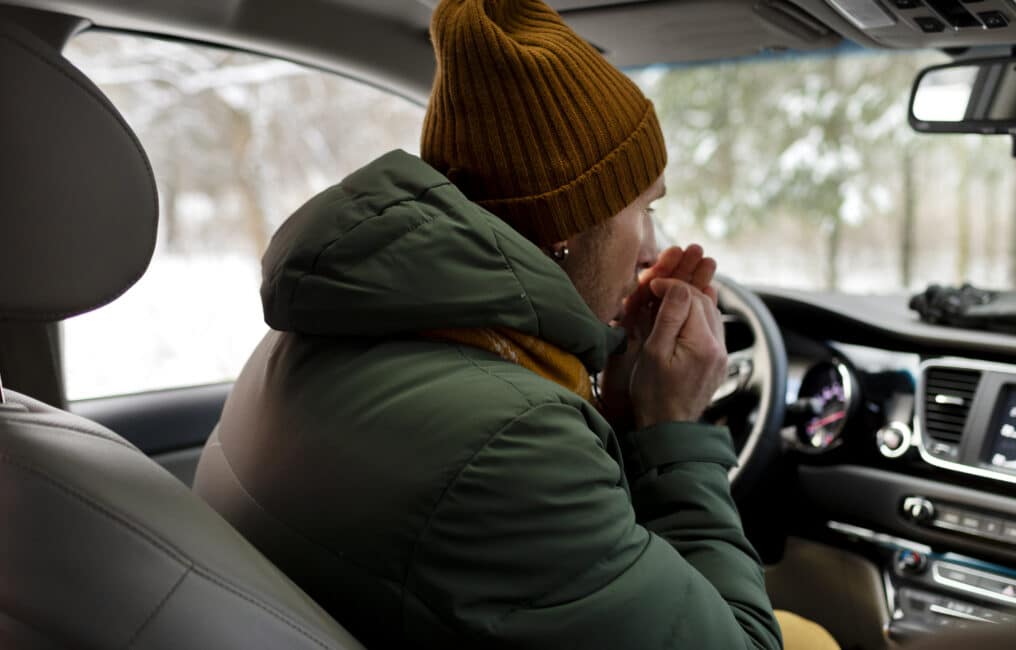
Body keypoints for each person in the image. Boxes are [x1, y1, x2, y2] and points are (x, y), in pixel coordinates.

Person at [194, 0, 836, 647]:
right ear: (566, 225)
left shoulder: (307, 337)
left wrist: (607, 409)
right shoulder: (511, 441)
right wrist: (673, 431)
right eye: (643, 210)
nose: (651, 249)